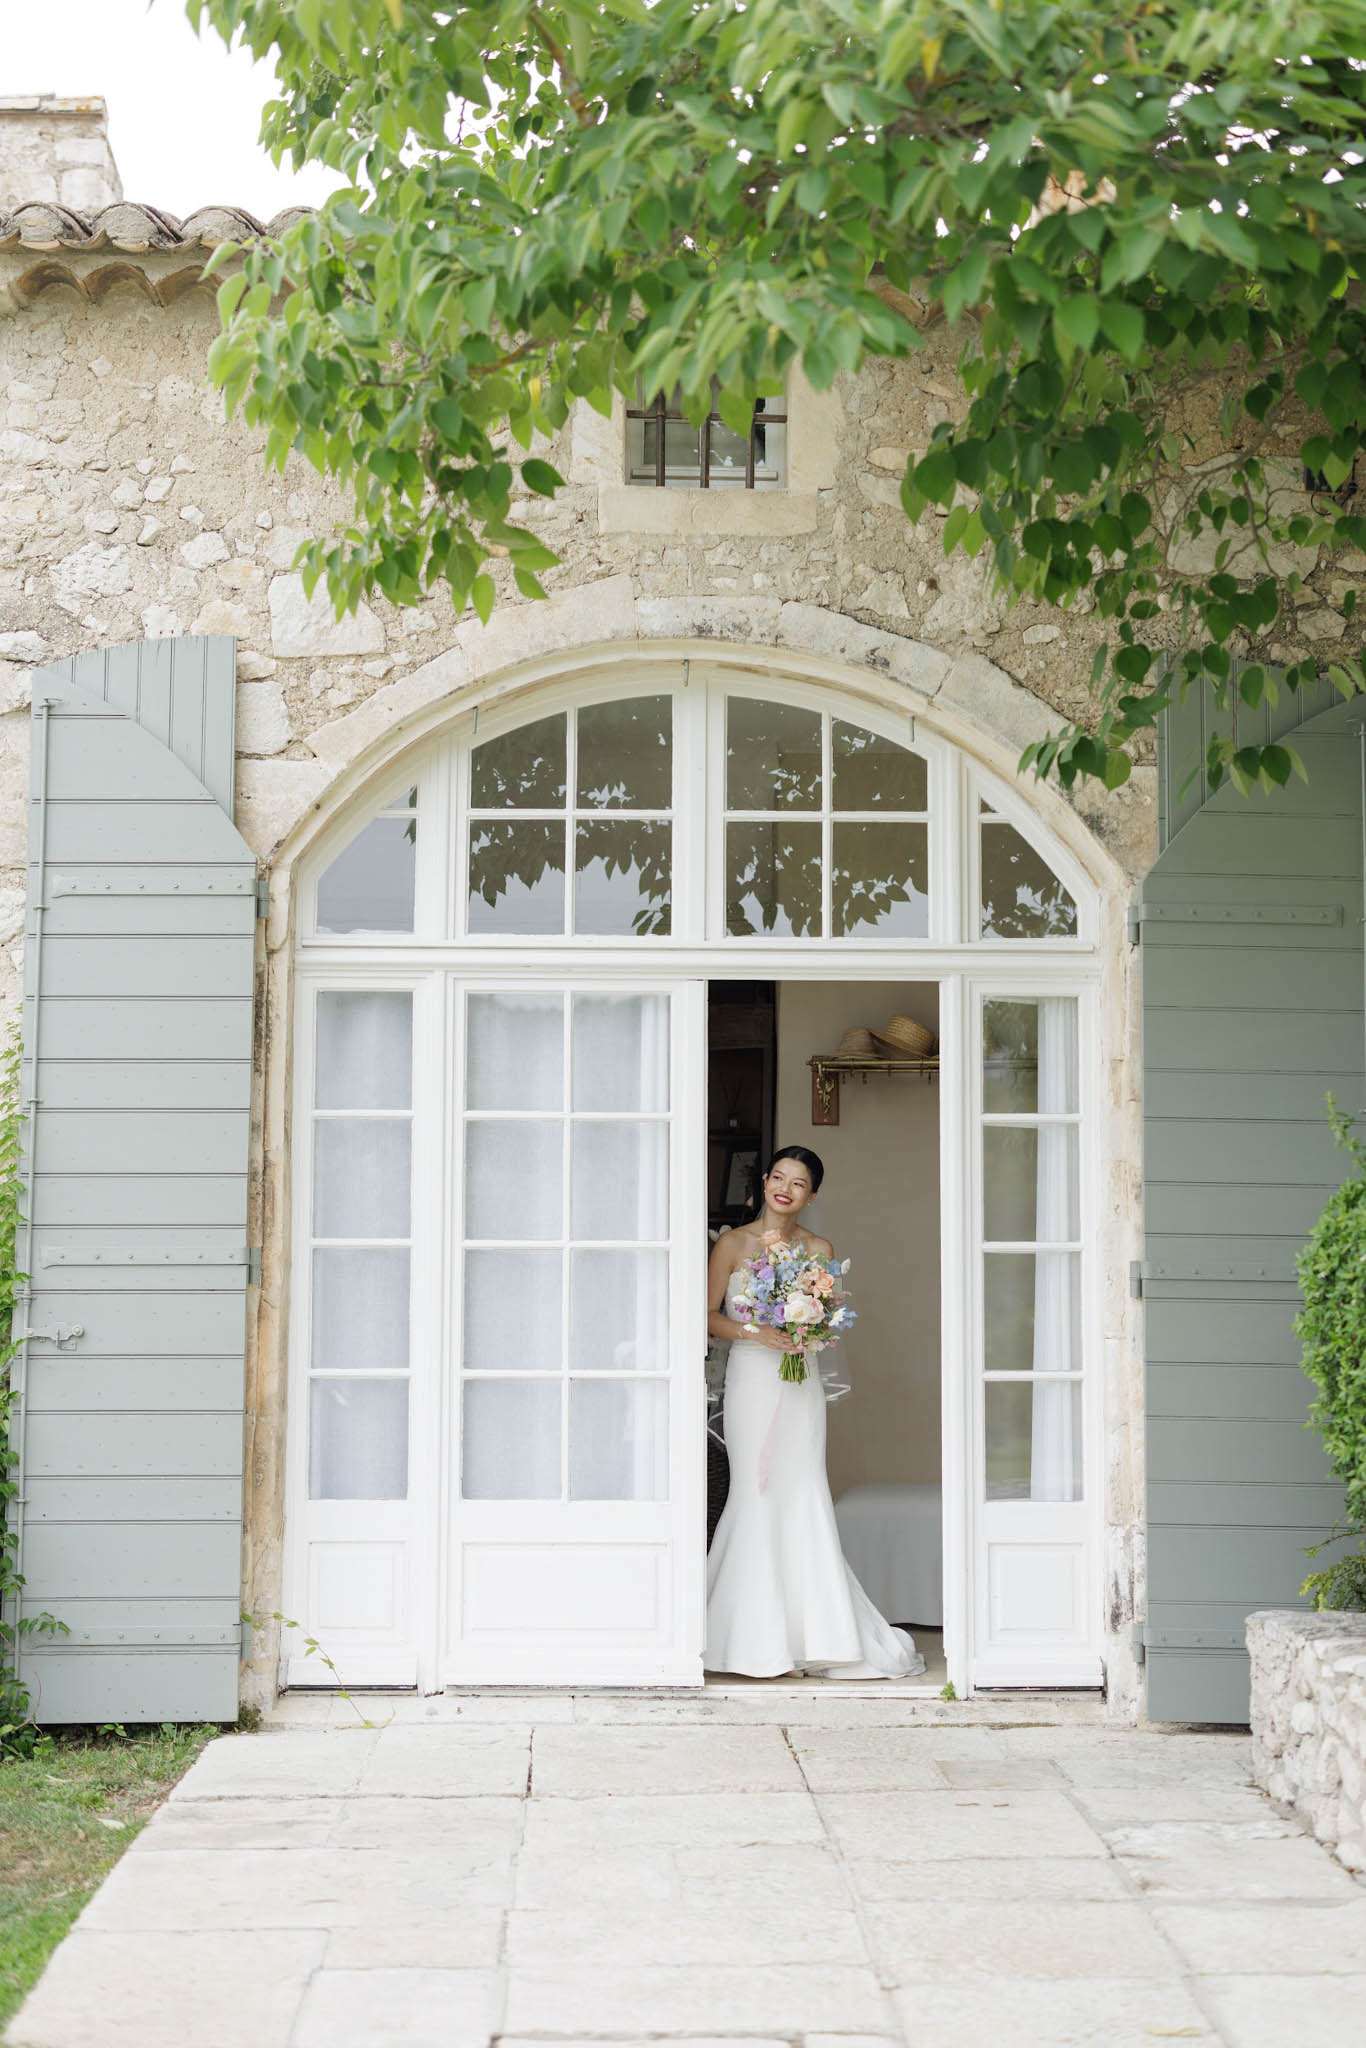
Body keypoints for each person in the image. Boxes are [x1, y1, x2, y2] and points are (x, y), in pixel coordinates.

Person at [703, 1146, 927, 1680]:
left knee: (802, 1490)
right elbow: (708, 1317)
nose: (785, 1188)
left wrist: (806, 1328)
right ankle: (745, 1637)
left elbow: (828, 1318)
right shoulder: (732, 1244)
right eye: (778, 1177)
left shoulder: (818, 1248)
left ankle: (820, 1634)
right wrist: (762, 1331)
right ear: (762, 1181)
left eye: (798, 1183)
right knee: (754, 1492)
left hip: (798, 1385)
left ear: (812, 1195)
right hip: (753, 1379)